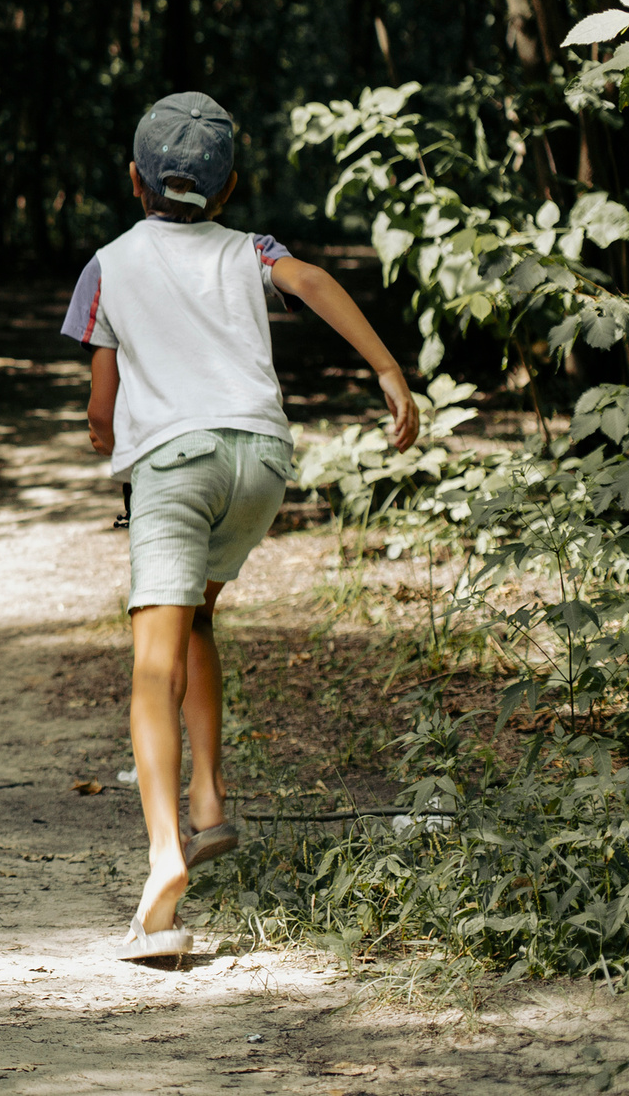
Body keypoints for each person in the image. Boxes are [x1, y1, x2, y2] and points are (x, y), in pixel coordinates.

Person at [60, 91, 418, 963]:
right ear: (225, 192)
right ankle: (211, 799)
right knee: (200, 617)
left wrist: (106, 431)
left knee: (152, 655)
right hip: (260, 462)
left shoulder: (109, 262)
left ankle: (161, 860)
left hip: (176, 467)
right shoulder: (250, 248)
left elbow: (103, 400)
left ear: (136, 178)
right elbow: (314, 281)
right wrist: (387, 369)